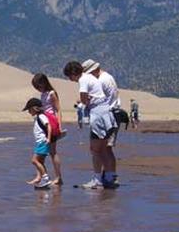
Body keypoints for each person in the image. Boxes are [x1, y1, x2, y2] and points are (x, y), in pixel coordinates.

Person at [64, 61, 117, 189]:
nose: (71, 80)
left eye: (70, 77)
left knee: (95, 150)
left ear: (73, 73)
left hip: (97, 114)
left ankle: (97, 180)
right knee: (104, 148)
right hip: (106, 113)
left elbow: (83, 98)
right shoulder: (91, 77)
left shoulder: (83, 79)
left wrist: (84, 104)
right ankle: (109, 177)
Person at [83, 59, 126, 186]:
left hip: (106, 115)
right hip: (114, 114)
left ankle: (102, 178)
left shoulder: (100, 81)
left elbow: (96, 100)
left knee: (99, 148)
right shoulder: (108, 77)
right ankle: (110, 176)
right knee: (107, 148)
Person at [31, 73, 64, 185]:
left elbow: (58, 110)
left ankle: (58, 177)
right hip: (43, 123)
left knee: (53, 152)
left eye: (39, 86)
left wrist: (59, 125)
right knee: (42, 152)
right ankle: (39, 176)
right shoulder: (43, 94)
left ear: (44, 83)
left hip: (52, 123)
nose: (38, 89)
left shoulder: (51, 93)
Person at [23, 98, 53, 189]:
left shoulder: (41, 116)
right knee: (40, 162)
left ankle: (46, 178)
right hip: (40, 142)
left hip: (42, 142)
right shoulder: (38, 117)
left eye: (29, 109)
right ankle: (43, 179)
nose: (28, 112)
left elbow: (49, 126)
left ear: (35, 108)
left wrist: (48, 138)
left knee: (34, 160)